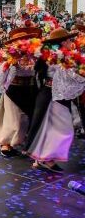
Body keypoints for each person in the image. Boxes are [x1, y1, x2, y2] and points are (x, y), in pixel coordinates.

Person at [27, 28, 85, 172]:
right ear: (63, 42)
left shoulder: (61, 56)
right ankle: (44, 158)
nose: (71, 42)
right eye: (69, 40)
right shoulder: (56, 57)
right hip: (52, 95)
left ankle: (42, 158)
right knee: (62, 129)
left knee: (50, 128)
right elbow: (69, 75)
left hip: (55, 94)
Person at [0, 27, 41, 156]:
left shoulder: (35, 55)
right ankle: (6, 142)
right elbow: (2, 76)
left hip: (31, 89)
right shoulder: (9, 58)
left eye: (25, 40)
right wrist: (3, 88)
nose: (23, 43)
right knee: (15, 119)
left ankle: (24, 141)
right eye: (19, 41)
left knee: (29, 118)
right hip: (14, 90)